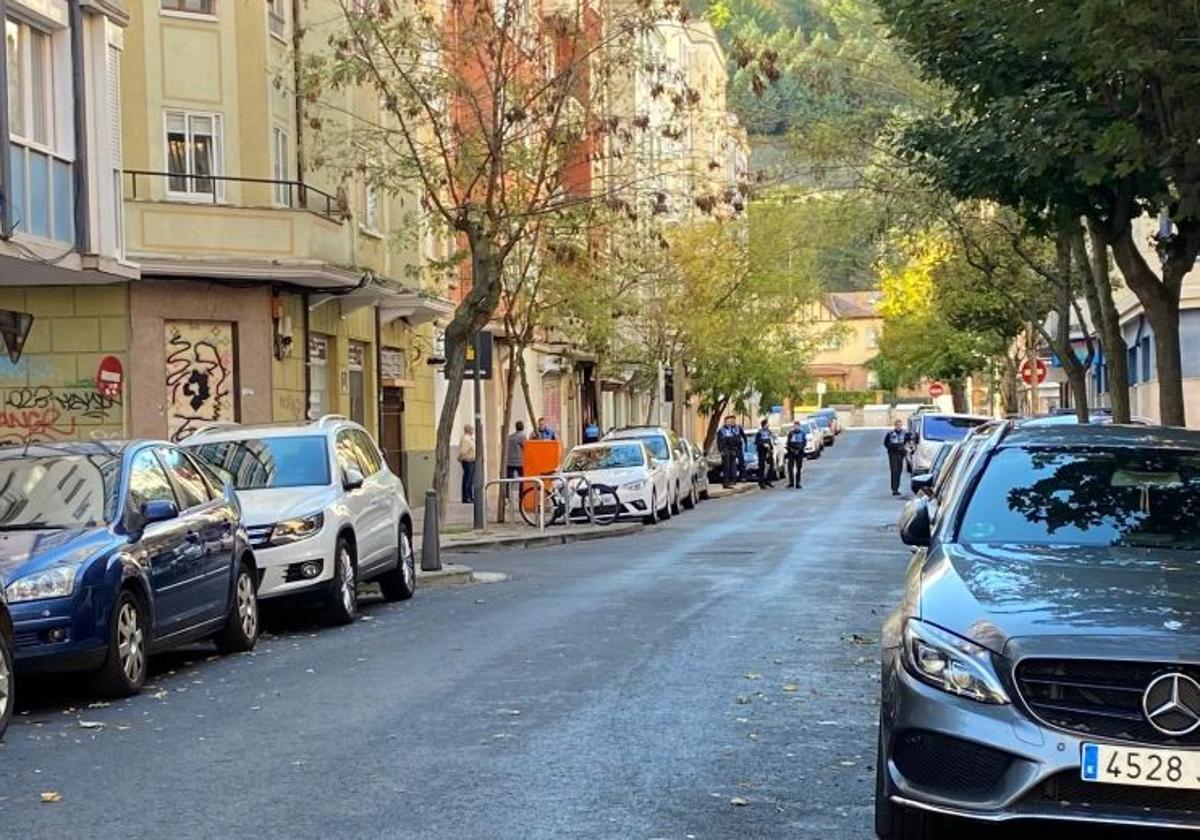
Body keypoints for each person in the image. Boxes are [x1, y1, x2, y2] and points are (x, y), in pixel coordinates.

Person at [884, 418, 912, 497]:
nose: (899, 426)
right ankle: (894, 489)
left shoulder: (904, 433)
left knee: (899, 471)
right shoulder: (890, 434)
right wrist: (892, 447)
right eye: (897, 425)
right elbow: (886, 443)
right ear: (895, 426)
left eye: (900, 425)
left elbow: (908, 441)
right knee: (894, 471)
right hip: (893, 454)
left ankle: (897, 488)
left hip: (901, 454)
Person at [716, 415, 742, 488]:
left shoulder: (732, 430)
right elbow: (719, 441)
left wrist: (735, 449)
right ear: (725, 422)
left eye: (730, 422)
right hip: (725, 450)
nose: (729, 423)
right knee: (726, 467)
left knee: (732, 466)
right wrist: (721, 450)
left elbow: (737, 440)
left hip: (732, 450)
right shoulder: (721, 430)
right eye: (727, 422)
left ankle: (732, 481)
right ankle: (725, 483)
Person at [785, 419, 807, 489]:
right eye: (795, 426)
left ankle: (798, 483)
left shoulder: (802, 433)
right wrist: (792, 450)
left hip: (799, 453)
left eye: (797, 426)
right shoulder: (791, 433)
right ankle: (791, 482)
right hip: (791, 453)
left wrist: (799, 450)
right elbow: (788, 443)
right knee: (790, 468)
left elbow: (804, 443)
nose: (796, 427)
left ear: (799, 426)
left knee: (798, 468)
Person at [754, 419, 775, 489]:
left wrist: (771, 447)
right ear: (764, 425)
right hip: (762, 452)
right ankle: (761, 483)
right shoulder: (759, 433)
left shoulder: (769, 432)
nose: (768, 425)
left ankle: (768, 481)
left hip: (769, 451)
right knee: (762, 468)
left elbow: (771, 440)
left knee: (771, 466)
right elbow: (757, 442)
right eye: (767, 424)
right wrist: (763, 444)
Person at [458, 425, 476, 504]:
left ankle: (470, 495)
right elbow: (463, 451)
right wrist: (461, 456)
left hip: (471, 460)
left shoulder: (469, 438)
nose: (473, 431)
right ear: (468, 430)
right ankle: (466, 497)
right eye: (472, 429)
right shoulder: (466, 439)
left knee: (470, 479)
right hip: (468, 461)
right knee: (467, 479)